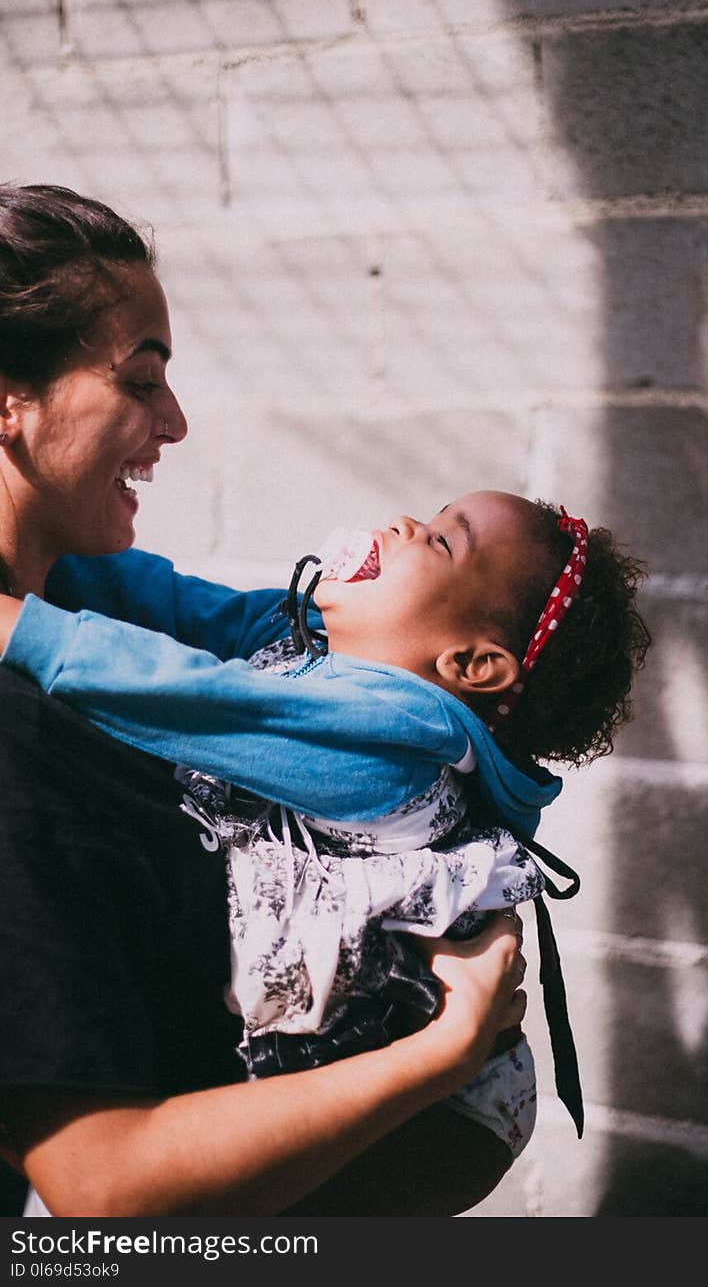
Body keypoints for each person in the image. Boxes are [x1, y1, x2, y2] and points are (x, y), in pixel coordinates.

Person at [0, 182, 527, 1218]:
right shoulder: (24, 718)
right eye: (141, 379)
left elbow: (220, 631)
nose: (178, 420)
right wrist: (446, 1048)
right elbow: (103, 1186)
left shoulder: (86, 625)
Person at [0, 489, 650, 1160]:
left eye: (441, 542)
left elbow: (200, 702)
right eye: (427, 517)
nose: (403, 524)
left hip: (442, 1109)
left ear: (470, 665)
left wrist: (20, 630)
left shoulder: (391, 755)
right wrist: (46, 534)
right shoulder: (313, 650)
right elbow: (173, 604)